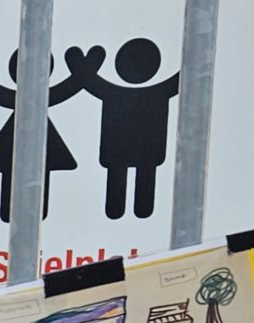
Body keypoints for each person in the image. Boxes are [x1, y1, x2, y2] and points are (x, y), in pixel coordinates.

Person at [0, 47, 99, 223]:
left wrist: (86, 67)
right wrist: (86, 67)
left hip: (37, 135)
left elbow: (72, 85)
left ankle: (35, 214)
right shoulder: (24, 99)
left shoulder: (40, 98)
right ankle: (15, 214)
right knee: (12, 167)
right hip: (17, 135)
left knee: (40, 168)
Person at [75, 39, 180, 221]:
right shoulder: (157, 93)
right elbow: (180, 79)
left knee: (139, 176)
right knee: (130, 176)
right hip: (130, 148)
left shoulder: (114, 93)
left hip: (135, 148)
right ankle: (127, 209)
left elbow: (91, 82)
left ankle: (134, 209)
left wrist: (80, 64)